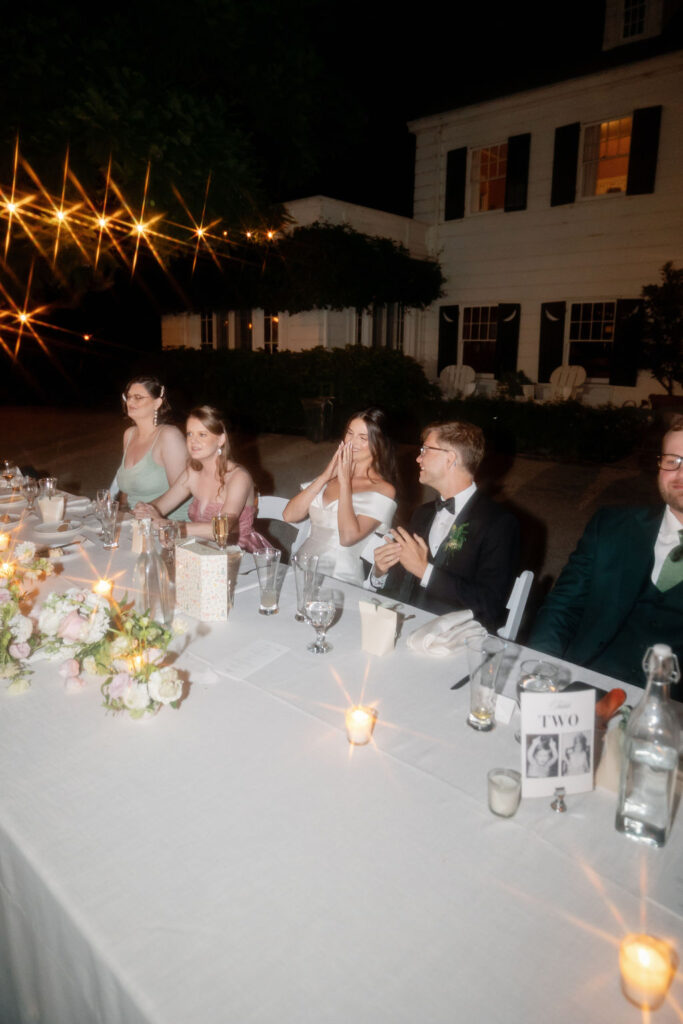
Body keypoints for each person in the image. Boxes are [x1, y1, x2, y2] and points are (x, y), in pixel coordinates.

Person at [529, 415, 683, 688]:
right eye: (673, 461)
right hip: (588, 682)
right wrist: (544, 670)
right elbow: (562, 607)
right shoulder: (611, 527)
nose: (680, 474)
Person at [371, 420, 519, 628]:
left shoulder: (498, 524)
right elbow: (399, 585)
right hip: (408, 625)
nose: (418, 457)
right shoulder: (422, 514)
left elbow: (490, 605)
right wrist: (380, 572)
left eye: (425, 450)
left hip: (456, 638)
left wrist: (425, 571)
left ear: (450, 459)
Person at [283, 409, 397, 585]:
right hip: (300, 568)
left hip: (339, 579)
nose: (352, 442)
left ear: (379, 443)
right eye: (350, 433)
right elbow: (289, 515)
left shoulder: (383, 489)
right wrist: (324, 477)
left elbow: (348, 538)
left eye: (363, 438)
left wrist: (345, 484)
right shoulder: (331, 477)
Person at [134, 405, 268, 551]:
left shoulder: (238, 477)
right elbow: (159, 506)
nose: (193, 441)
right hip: (202, 550)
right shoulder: (193, 472)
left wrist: (171, 526)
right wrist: (144, 509)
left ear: (221, 439)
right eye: (189, 434)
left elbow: (222, 529)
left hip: (240, 554)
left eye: (202, 435)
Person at [116, 376, 190, 521]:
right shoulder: (129, 434)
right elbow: (126, 492)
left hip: (167, 523)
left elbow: (181, 493)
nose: (130, 402)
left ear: (157, 403)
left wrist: (143, 513)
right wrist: (119, 512)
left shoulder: (168, 436)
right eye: (128, 396)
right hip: (134, 521)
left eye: (138, 397)